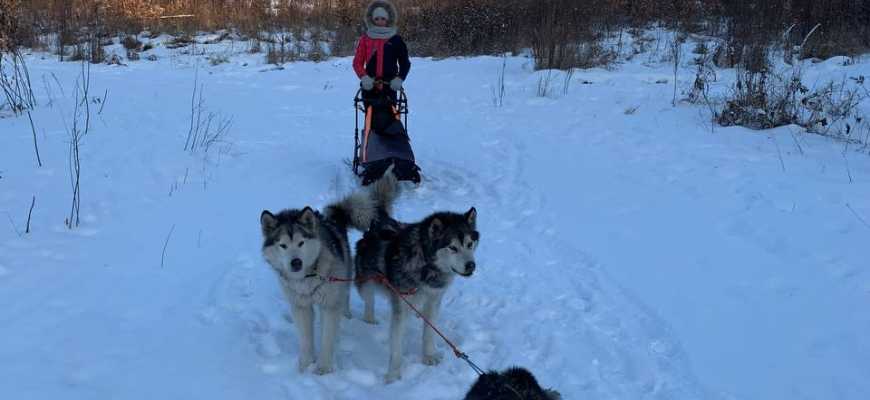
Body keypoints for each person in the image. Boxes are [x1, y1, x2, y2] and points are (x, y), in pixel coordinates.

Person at [353, 0, 410, 103]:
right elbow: (357, 62)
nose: (380, 22)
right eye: (377, 19)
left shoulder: (396, 39)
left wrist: (399, 78)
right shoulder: (365, 39)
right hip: (369, 86)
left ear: (388, 19)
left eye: (383, 18)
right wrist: (364, 77)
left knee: (391, 113)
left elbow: (405, 63)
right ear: (372, 19)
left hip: (390, 86)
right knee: (370, 113)